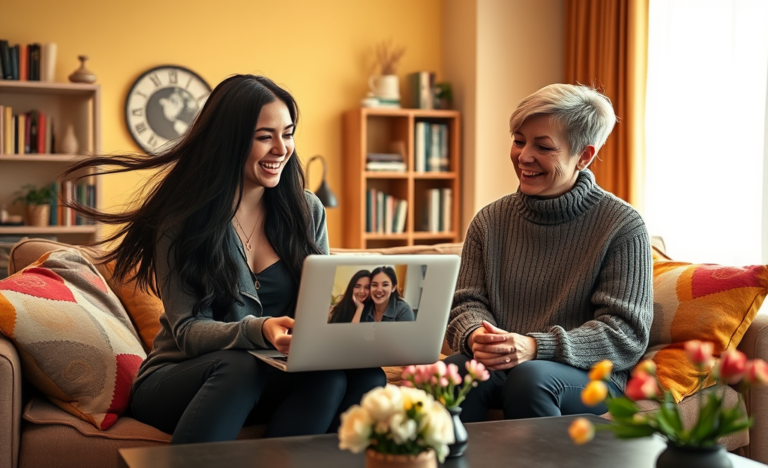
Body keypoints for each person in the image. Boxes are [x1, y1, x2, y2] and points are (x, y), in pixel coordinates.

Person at [63, 74, 386, 444]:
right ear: (229, 141)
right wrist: (258, 329)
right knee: (241, 364)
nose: (281, 148)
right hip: (181, 377)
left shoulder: (306, 211)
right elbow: (187, 330)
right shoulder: (182, 220)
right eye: (265, 136)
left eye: (288, 133)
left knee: (358, 376)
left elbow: (318, 313)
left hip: (272, 374)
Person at [444, 83, 653, 422]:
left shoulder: (622, 225)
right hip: (505, 365)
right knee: (455, 372)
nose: (524, 156)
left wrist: (536, 346)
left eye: (543, 146)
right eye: (518, 140)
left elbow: (624, 333)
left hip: (587, 376)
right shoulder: (489, 221)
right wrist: (476, 336)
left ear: (583, 156)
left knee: (532, 378)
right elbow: (465, 303)